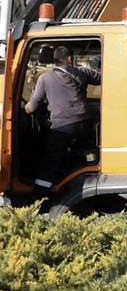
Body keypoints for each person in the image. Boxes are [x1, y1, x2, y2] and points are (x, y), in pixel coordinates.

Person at [24, 44, 100, 198]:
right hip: (86, 124)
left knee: (49, 161)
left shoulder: (45, 78)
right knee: (73, 146)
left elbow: (33, 106)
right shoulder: (82, 71)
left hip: (63, 127)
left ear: (55, 60)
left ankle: (39, 199)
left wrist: (22, 111)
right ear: (70, 59)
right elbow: (103, 77)